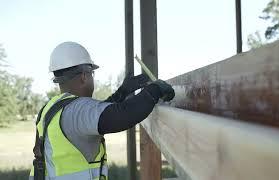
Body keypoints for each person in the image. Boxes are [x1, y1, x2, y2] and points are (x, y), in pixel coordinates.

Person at [29, 41, 175, 180]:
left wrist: (122, 92)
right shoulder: (77, 110)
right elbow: (122, 116)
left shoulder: (52, 109)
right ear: (84, 76)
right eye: (92, 73)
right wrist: (154, 90)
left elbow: (97, 116)